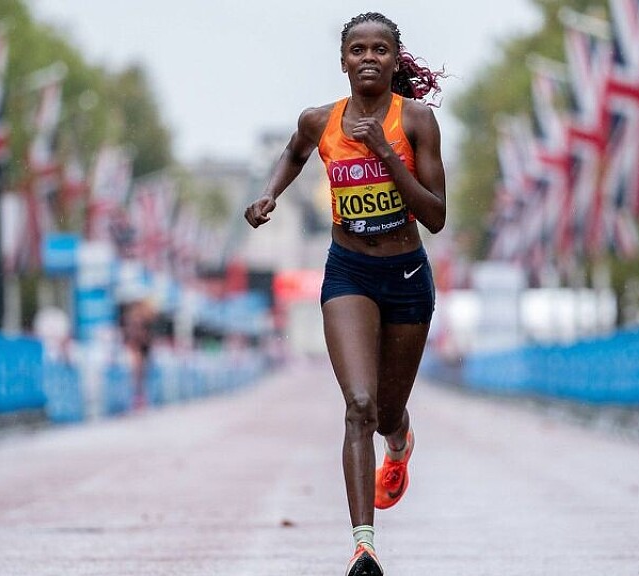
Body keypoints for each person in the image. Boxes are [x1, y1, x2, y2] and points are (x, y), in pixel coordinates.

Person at [244, 12, 446, 576]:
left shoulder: (417, 122)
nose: (368, 58)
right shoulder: (320, 120)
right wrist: (269, 194)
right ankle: (364, 547)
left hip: (406, 275)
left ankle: (399, 444)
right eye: (358, 50)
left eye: (380, 49)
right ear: (343, 61)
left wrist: (385, 152)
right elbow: (293, 152)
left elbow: (436, 215)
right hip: (349, 273)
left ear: (393, 59)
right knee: (359, 406)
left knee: (386, 414)